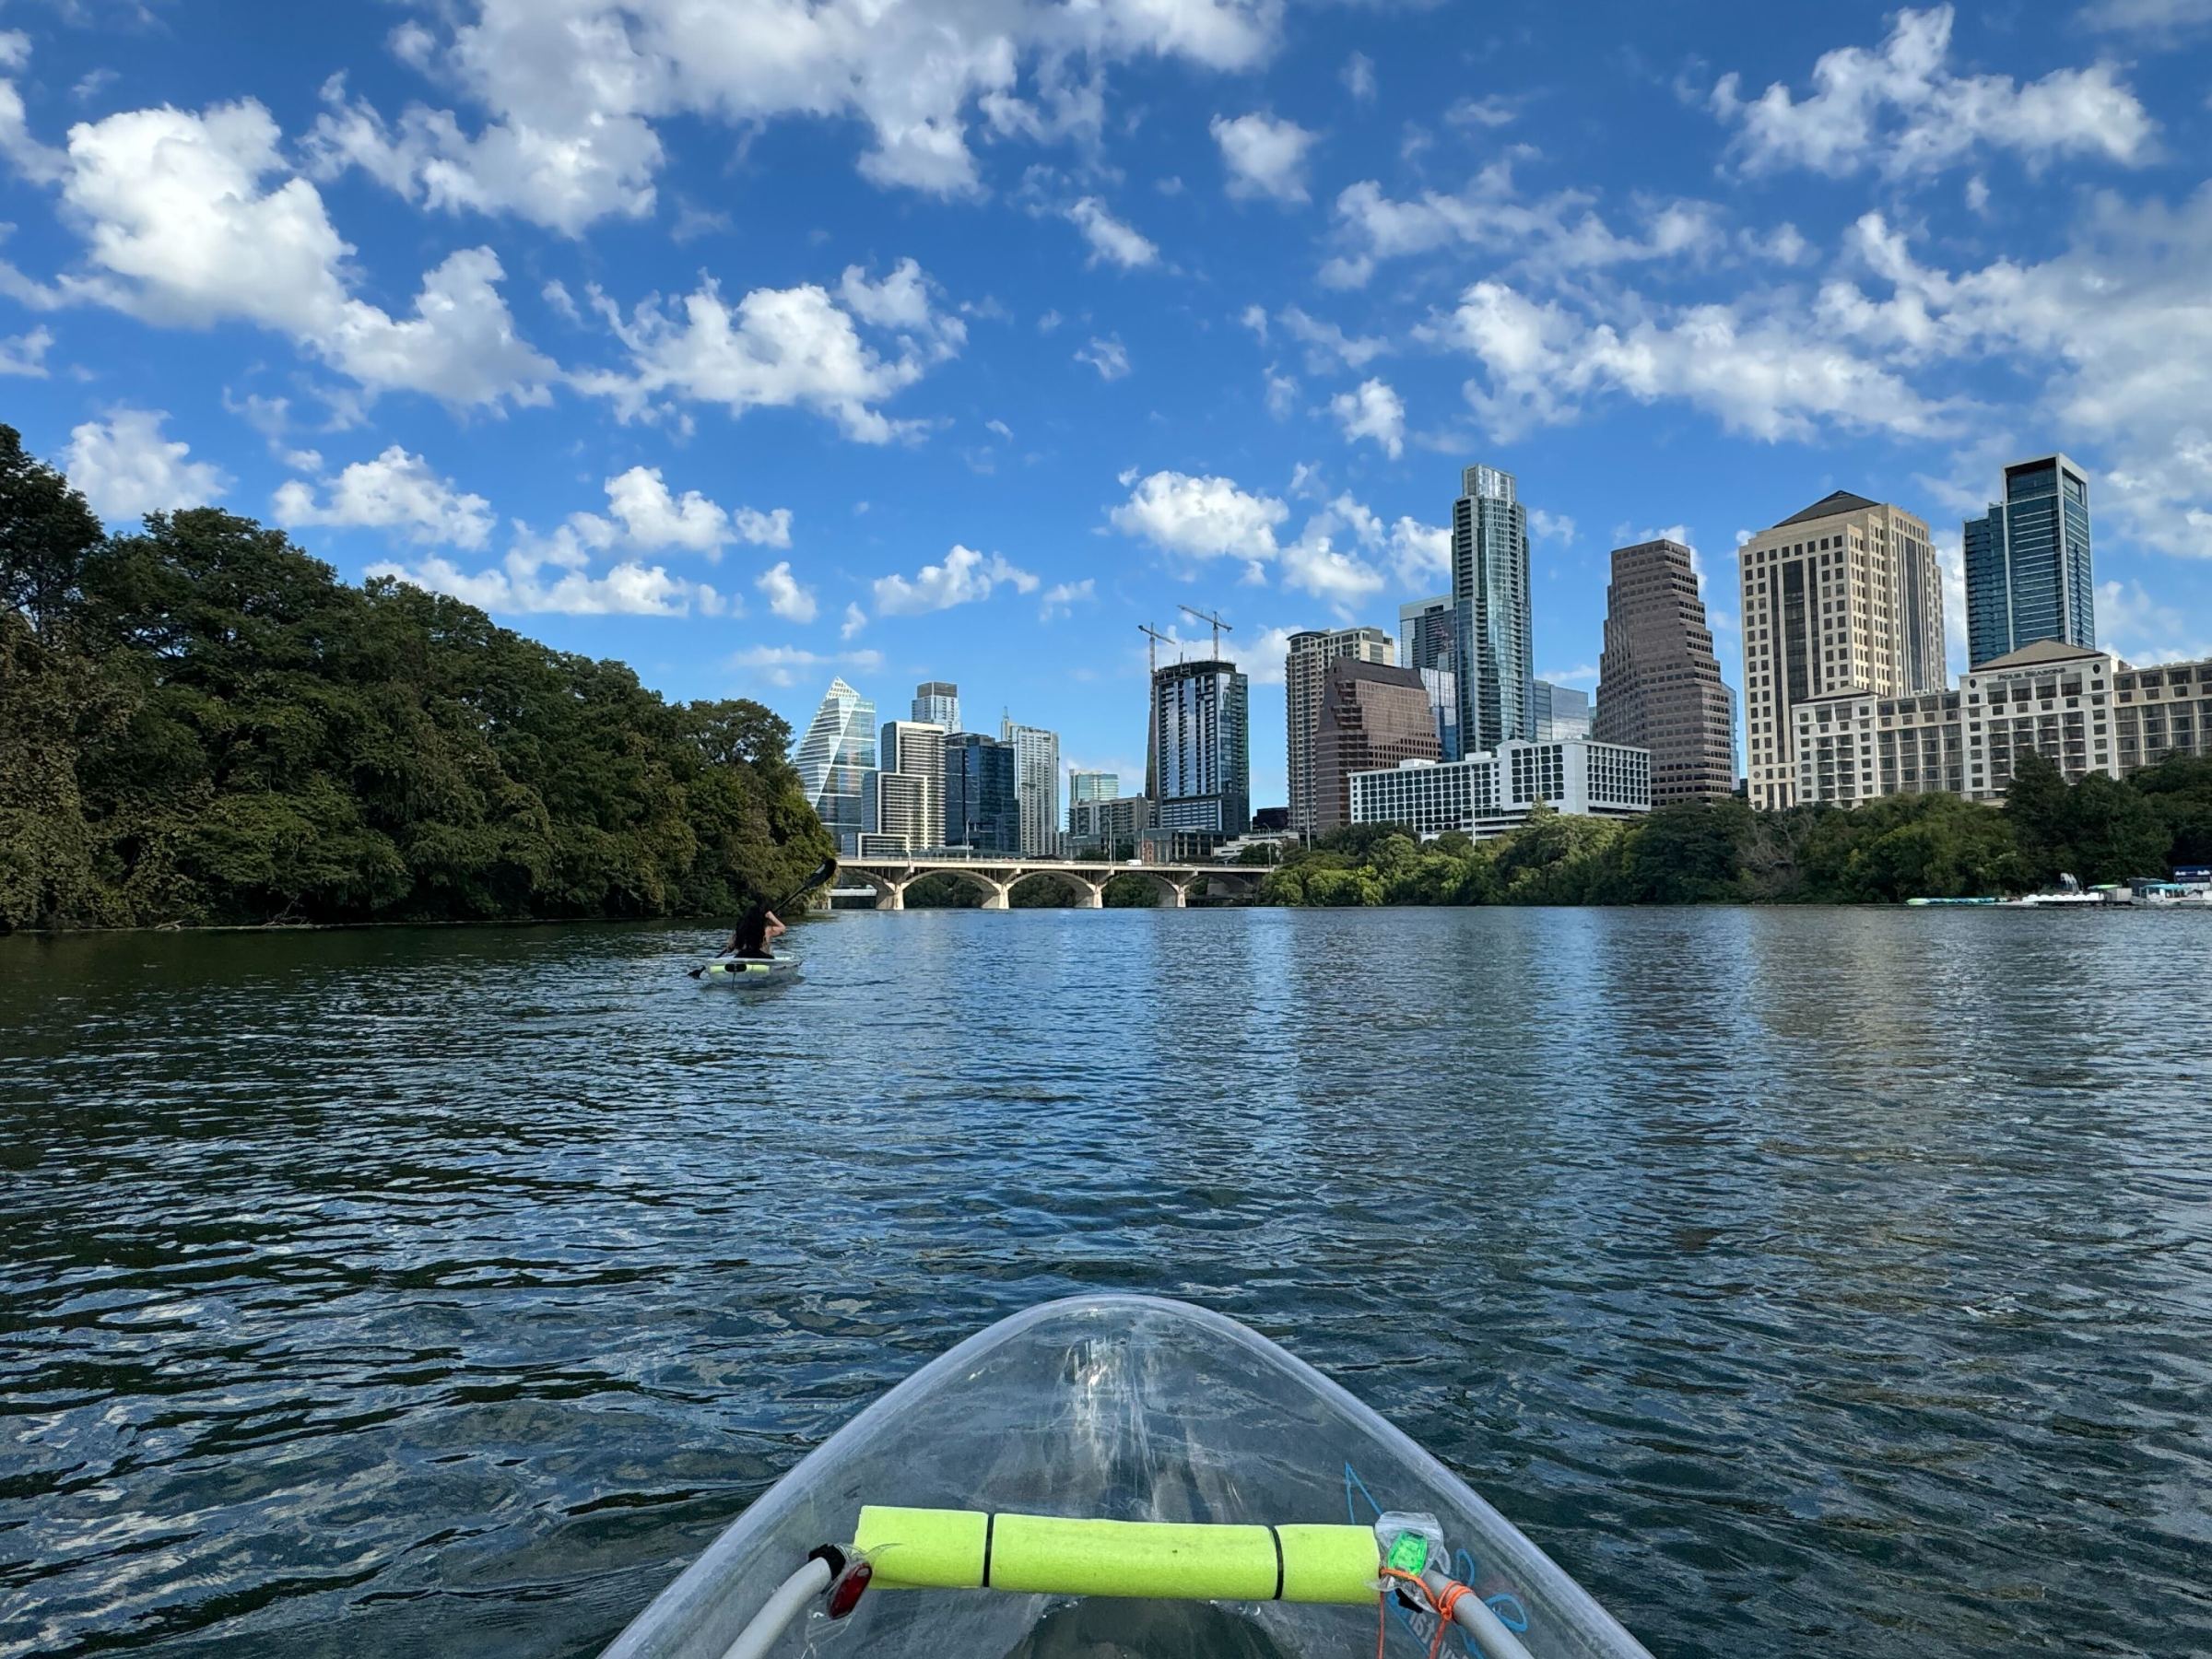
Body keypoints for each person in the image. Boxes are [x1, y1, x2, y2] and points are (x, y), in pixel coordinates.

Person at [721, 903, 786, 959]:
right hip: (762, 958)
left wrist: (730, 946)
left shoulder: (740, 931)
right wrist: (771, 916)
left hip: (742, 956)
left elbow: (729, 948)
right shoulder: (767, 930)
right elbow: (783, 929)